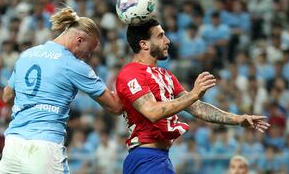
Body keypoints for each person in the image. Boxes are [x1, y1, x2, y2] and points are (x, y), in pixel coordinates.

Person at [115, 18, 270, 174]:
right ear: (144, 44)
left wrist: (237, 119)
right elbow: (152, 112)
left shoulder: (166, 75)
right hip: (146, 158)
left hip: (159, 158)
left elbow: (197, 108)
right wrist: (194, 93)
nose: (167, 41)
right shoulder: (130, 74)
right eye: (160, 36)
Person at [0, 7, 123, 173]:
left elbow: (6, 96)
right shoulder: (73, 65)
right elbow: (115, 107)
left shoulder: (27, 54)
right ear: (80, 40)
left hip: (13, 143)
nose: (87, 57)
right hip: (45, 147)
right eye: (89, 51)